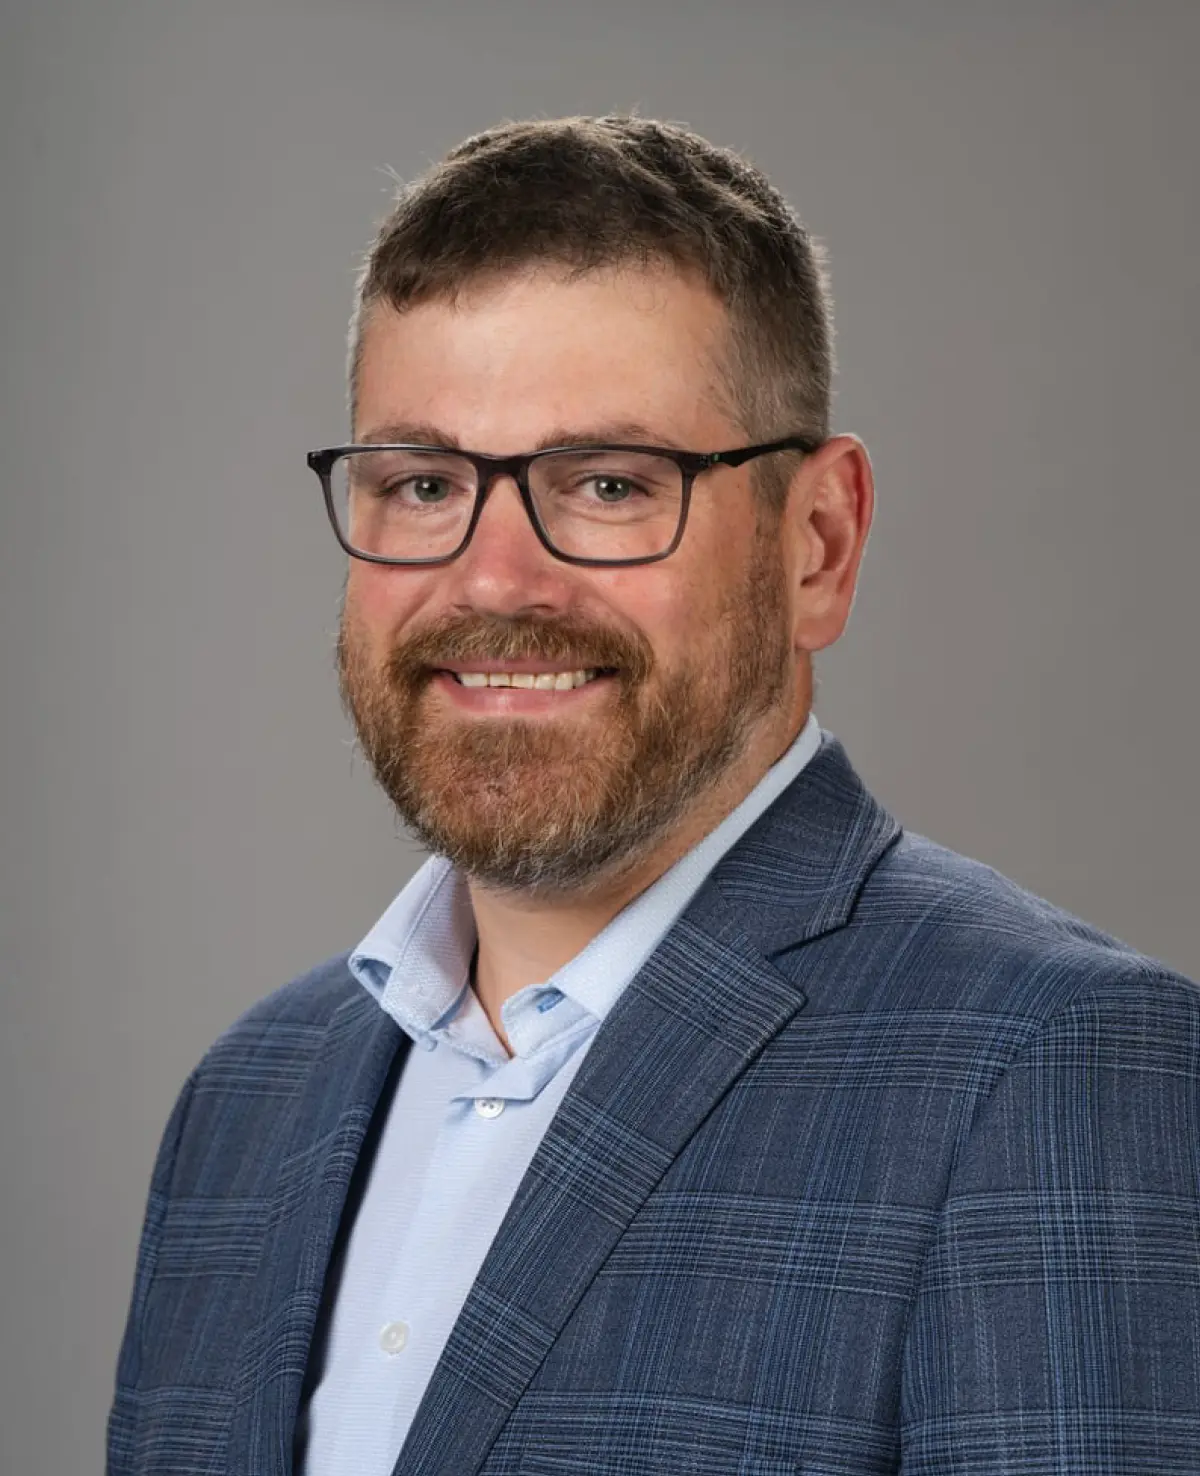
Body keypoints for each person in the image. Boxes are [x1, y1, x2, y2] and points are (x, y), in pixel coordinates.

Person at [107, 115, 1200, 1476]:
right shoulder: (249, 1103)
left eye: (612, 484)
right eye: (424, 482)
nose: (494, 579)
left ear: (818, 544)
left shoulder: (1055, 1070)